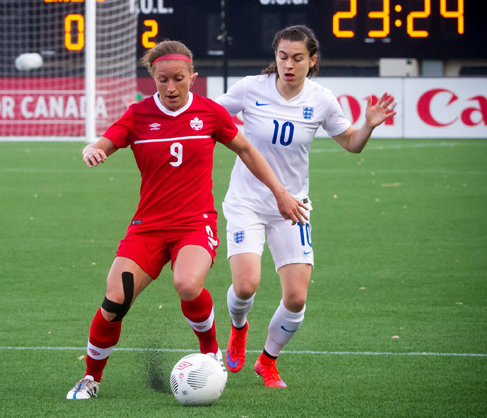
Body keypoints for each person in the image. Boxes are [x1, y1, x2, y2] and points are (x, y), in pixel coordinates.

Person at [67, 40, 305, 400]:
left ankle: (210, 351)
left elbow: (246, 150)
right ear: (152, 78)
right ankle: (90, 378)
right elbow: (105, 141)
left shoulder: (210, 113)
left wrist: (280, 193)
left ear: (193, 77)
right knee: (114, 301)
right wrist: (92, 148)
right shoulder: (138, 115)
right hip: (147, 227)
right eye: (162, 80)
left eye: (179, 78)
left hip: (195, 224)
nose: (171, 87)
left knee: (188, 285)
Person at [215, 25, 397, 388]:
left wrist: (368, 125)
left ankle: (267, 361)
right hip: (246, 202)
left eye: (298, 58)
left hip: (292, 206)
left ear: (312, 61)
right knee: (247, 285)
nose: (289, 64)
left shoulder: (322, 99)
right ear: (276, 58)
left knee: (296, 297)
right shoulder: (251, 88)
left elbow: (351, 143)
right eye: (283, 56)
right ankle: (238, 328)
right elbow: (208, 115)